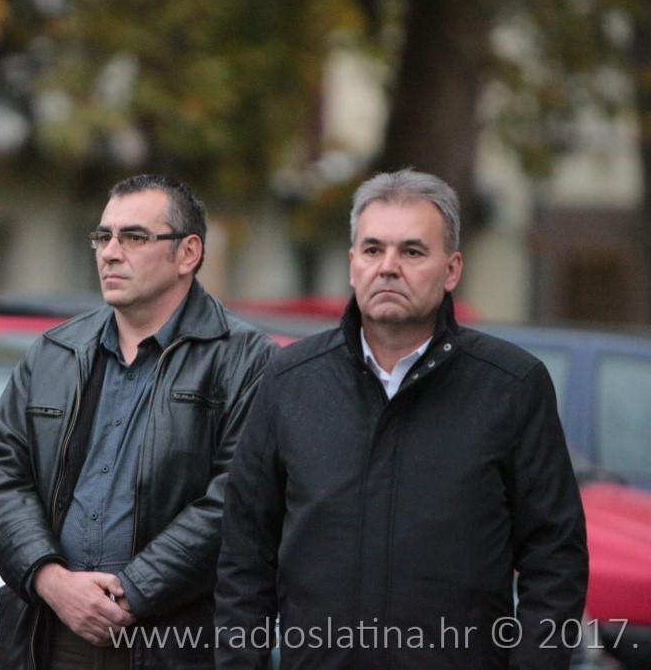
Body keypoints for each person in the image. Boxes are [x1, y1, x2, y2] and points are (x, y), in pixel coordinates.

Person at [215, 169, 588, 668]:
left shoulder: (512, 387)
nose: (388, 267)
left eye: (412, 252)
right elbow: (244, 556)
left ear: (452, 269)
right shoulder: (289, 381)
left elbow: (556, 557)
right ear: (352, 264)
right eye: (373, 249)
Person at [0, 173, 276, 669]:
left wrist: (131, 591)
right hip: (48, 632)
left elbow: (238, 497)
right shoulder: (55, 351)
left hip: (170, 641)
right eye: (103, 236)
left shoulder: (244, 359)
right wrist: (50, 579)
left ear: (188, 253)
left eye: (133, 237)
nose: (110, 253)